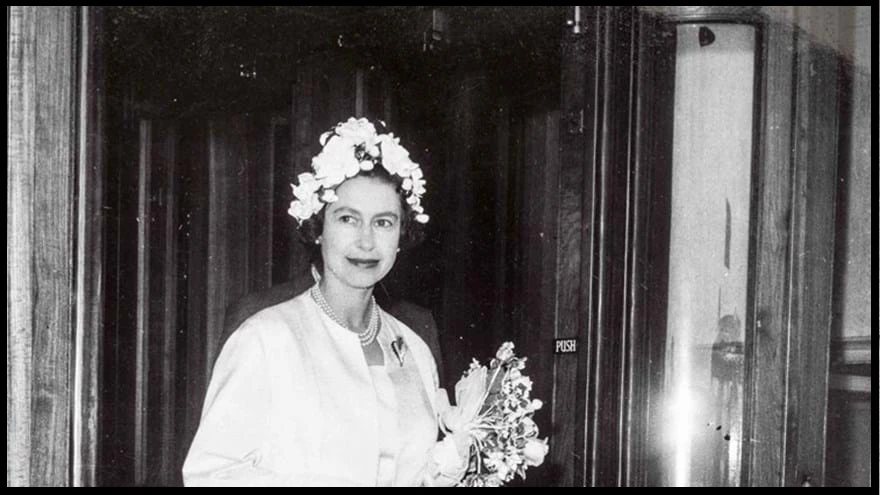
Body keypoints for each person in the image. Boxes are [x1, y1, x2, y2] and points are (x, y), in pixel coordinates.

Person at [182, 117, 465, 486]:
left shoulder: (414, 348)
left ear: (401, 234)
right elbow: (210, 475)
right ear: (318, 227)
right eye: (348, 219)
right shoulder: (266, 338)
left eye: (383, 222)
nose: (366, 242)